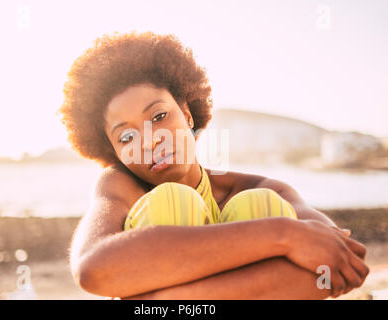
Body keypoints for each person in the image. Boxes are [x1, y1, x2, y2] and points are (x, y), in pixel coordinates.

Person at [57, 31, 369, 299]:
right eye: (126, 136)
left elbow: (339, 265)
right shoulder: (119, 188)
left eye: (158, 116)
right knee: (173, 202)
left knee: (259, 205)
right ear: (113, 150)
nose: (149, 142)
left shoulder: (263, 189)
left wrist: (157, 299)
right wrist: (282, 235)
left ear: (188, 114)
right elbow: (93, 269)